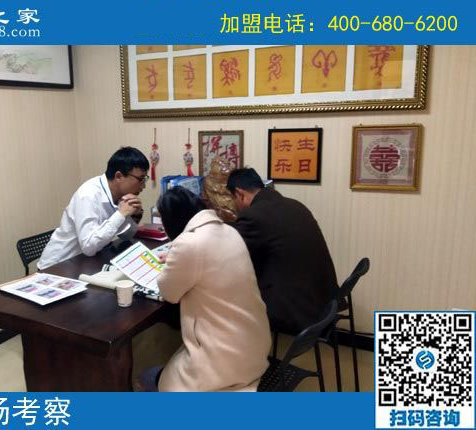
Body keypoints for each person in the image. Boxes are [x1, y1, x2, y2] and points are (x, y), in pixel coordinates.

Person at [150, 186, 271, 392]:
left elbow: (169, 292)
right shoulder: (229, 231)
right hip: (256, 343)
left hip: (227, 358)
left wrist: (175, 258)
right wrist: (178, 256)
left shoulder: (189, 243)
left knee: (164, 382)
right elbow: (208, 260)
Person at [226, 167, 339, 335]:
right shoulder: (295, 205)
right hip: (322, 300)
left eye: (233, 199)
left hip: (297, 309)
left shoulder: (254, 215)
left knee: (228, 295)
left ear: (239, 194)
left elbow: (230, 250)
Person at [37, 147, 149, 270]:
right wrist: (121, 214)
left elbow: (126, 236)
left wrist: (135, 216)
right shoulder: (88, 195)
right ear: (119, 176)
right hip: (58, 266)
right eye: (140, 179)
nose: (143, 185)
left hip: (85, 262)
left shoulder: (120, 196)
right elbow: (89, 247)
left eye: (145, 179)